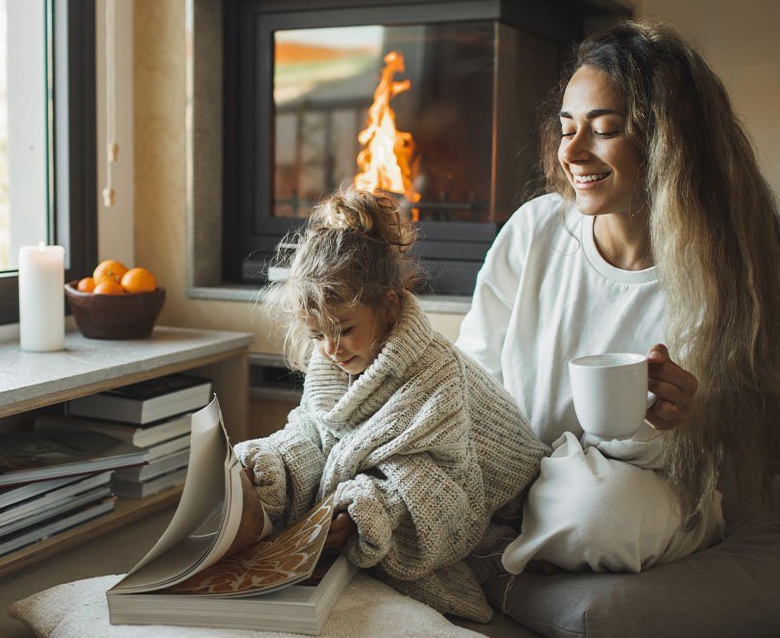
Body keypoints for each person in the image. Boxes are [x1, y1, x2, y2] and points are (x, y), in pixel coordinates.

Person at [456, 19, 780, 574]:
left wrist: (669, 425)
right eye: (567, 129)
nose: (574, 152)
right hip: (512, 457)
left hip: (642, 476)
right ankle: (526, 511)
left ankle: (521, 526)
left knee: (599, 514)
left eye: (605, 129)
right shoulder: (535, 230)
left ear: (666, 141)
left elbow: (706, 454)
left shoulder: (715, 272)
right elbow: (477, 371)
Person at [233, 189, 546, 622]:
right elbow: (314, 432)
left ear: (390, 306)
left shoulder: (436, 373)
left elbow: (446, 483)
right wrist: (273, 465)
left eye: (343, 329)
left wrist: (376, 507)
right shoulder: (332, 363)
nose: (330, 349)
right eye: (316, 335)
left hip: (512, 498)